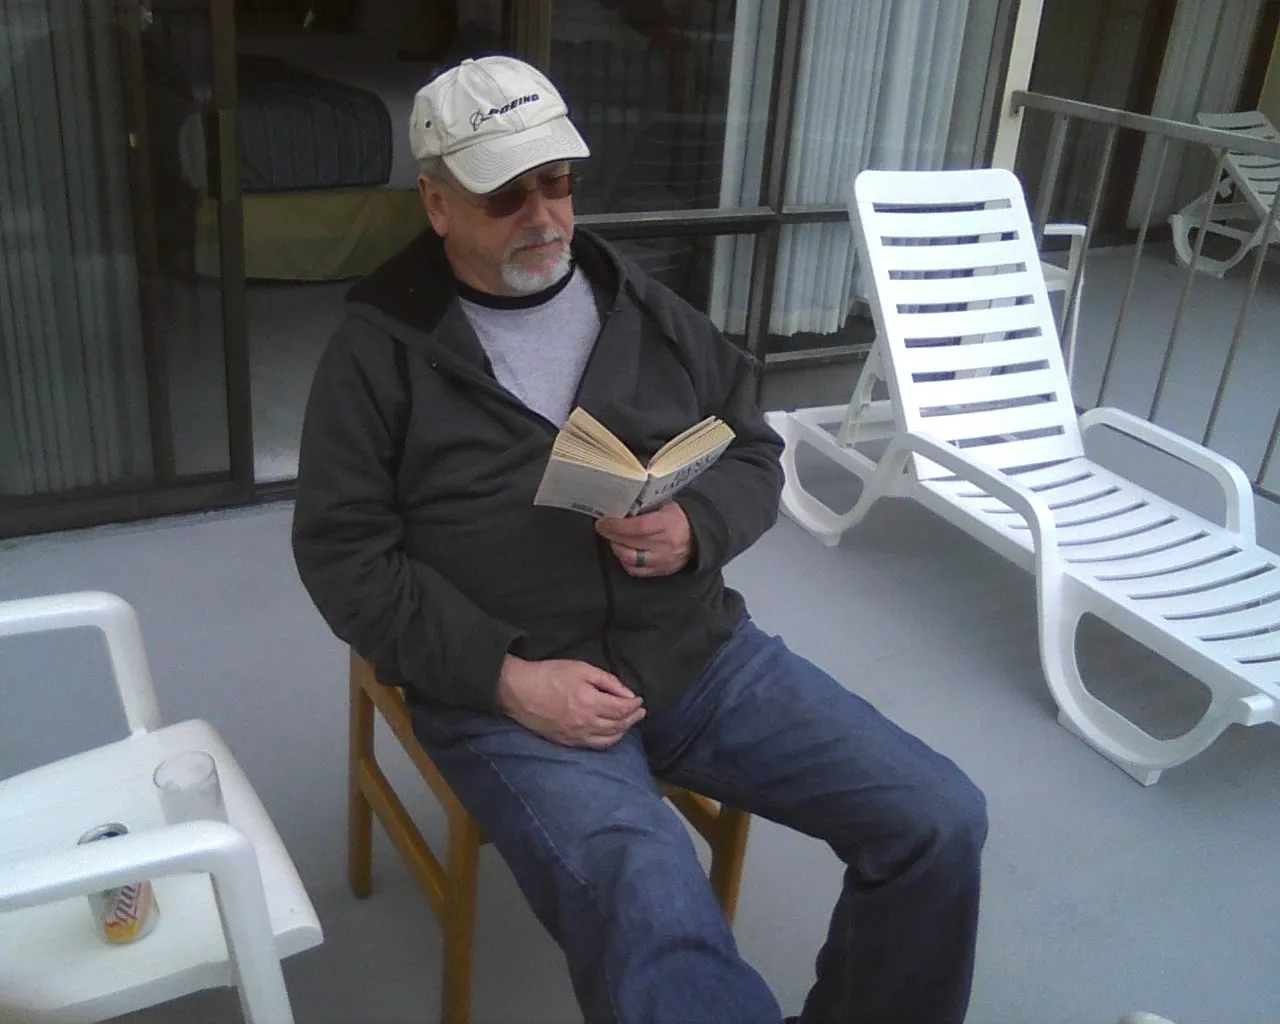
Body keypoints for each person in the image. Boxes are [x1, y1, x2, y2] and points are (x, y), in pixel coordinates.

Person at [292, 55, 988, 1024]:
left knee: (936, 817)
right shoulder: (379, 350)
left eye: (557, 181)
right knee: (655, 916)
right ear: (438, 201)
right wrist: (503, 677)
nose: (543, 216)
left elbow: (751, 448)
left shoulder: (643, 307)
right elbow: (343, 555)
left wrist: (692, 527)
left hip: (695, 654)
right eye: (505, 194)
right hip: (510, 691)